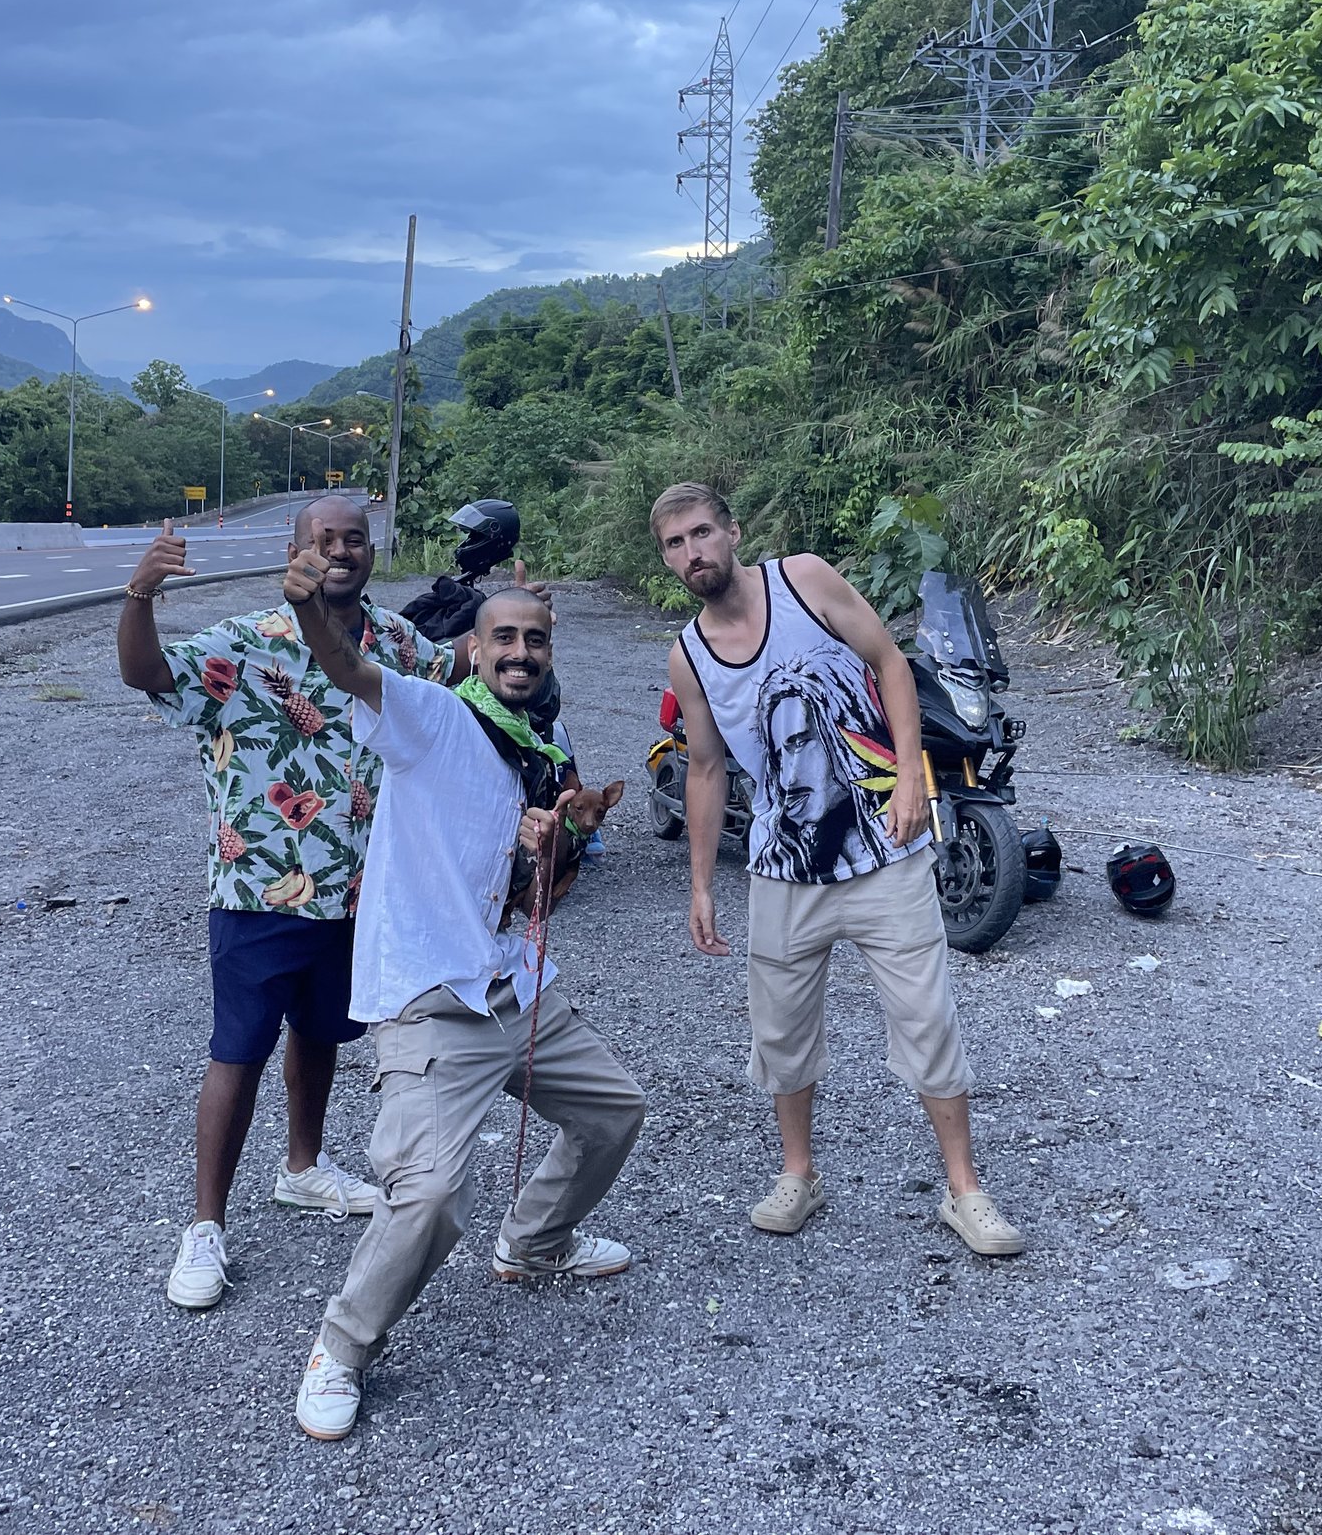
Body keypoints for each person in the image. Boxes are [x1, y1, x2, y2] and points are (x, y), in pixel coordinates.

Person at [280, 554, 646, 1441]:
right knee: (432, 1190)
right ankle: (342, 1343)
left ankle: (532, 1241)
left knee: (616, 1111)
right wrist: (311, 612)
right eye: (506, 638)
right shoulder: (433, 716)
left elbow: (538, 894)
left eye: (537, 640)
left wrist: (549, 845)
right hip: (429, 996)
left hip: (516, 988)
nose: (522, 652)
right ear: (473, 650)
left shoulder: (543, 753)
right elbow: (349, 667)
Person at [654, 482, 1025, 1258]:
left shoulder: (805, 580)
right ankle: (799, 1175)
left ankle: (966, 1189)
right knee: (781, 1032)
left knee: (926, 1016)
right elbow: (706, 766)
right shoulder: (688, 655)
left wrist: (915, 777)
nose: (692, 553)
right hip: (783, 871)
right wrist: (698, 882)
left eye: (701, 533)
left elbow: (888, 661)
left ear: (733, 530)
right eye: (675, 544)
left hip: (885, 853)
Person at [117, 495, 453, 1312]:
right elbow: (149, 674)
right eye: (325, 538)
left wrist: (512, 623)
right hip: (258, 886)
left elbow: (457, 686)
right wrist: (138, 597)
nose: (342, 550)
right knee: (238, 1049)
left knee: (323, 1031)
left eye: (356, 540)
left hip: (360, 891)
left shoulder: (401, 642)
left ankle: (303, 1168)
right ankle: (204, 1226)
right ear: (295, 549)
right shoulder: (244, 640)